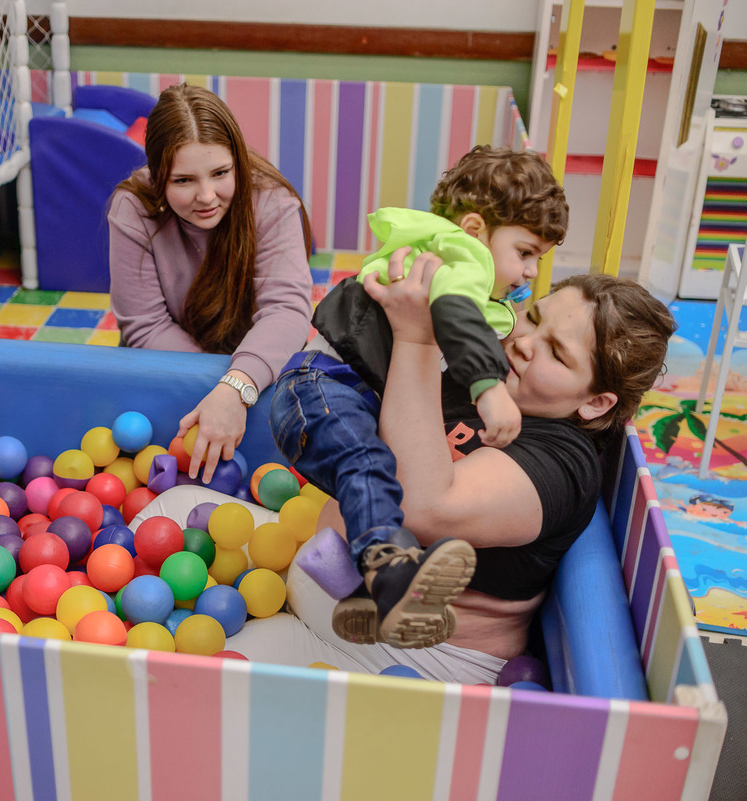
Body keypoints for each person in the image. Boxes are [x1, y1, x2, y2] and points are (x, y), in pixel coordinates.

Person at [209, 256, 671, 682]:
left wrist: (418, 339)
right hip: (301, 575)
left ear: (595, 402)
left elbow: (419, 507)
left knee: (200, 677)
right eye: (533, 317)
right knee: (176, 505)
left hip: (404, 658)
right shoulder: (489, 379)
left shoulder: (562, 461)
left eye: (556, 352)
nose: (524, 343)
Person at [273, 147, 568, 647]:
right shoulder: (460, 257)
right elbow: (456, 314)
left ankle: (358, 592)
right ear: (474, 229)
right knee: (369, 464)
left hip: (339, 397)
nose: (531, 272)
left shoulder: (458, 268)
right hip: (320, 387)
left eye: (538, 258)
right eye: (525, 253)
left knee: (380, 475)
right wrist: (489, 387)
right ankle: (391, 571)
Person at [108, 83, 313, 483]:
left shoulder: (272, 202)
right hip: (169, 364)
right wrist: (215, 390)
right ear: (158, 176)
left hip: (258, 368)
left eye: (220, 173)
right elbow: (145, 325)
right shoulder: (132, 207)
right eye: (183, 180)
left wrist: (236, 387)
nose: (206, 196)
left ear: (237, 162)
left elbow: (286, 311)